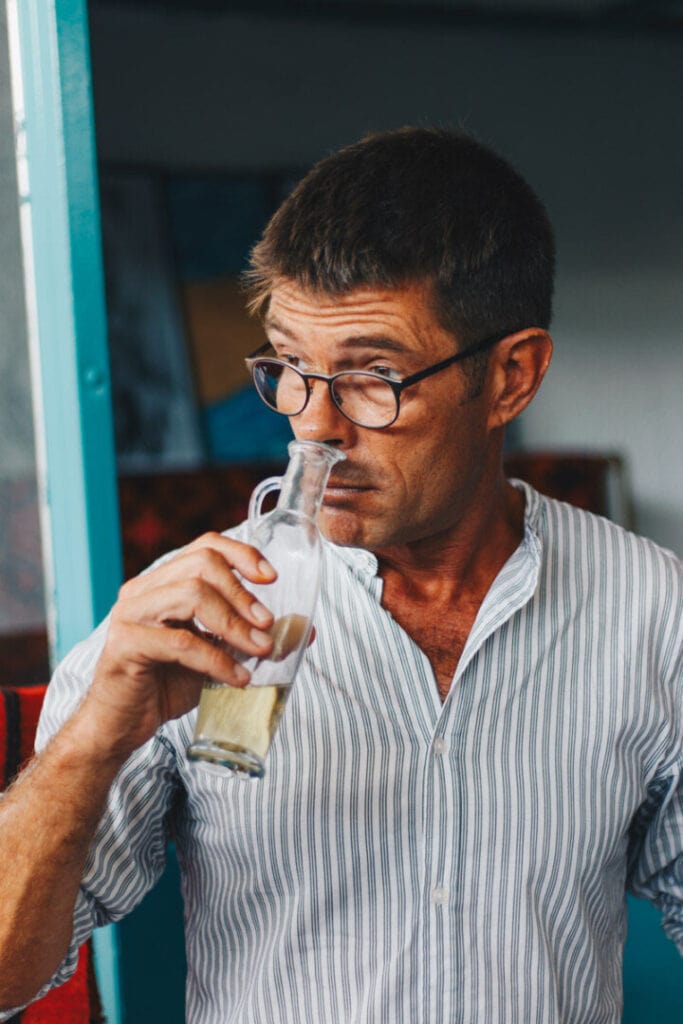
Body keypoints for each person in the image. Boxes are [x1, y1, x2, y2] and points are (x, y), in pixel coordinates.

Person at [0, 127, 681, 1024]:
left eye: (372, 377)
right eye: (289, 368)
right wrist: (91, 741)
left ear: (512, 376)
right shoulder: (180, 619)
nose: (311, 427)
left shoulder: (652, 612)